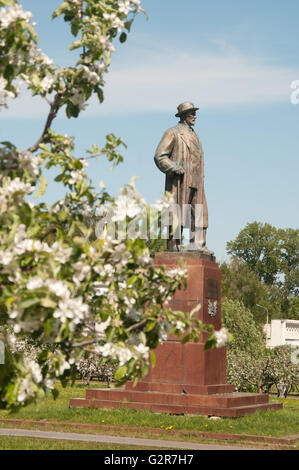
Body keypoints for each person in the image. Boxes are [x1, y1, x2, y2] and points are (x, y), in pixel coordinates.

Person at [154, 101, 209, 252]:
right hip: (181, 181)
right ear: (184, 116)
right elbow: (159, 156)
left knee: (199, 213)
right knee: (176, 213)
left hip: (196, 181)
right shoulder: (173, 132)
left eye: (195, 113)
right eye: (192, 113)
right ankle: (173, 245)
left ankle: (198, 245)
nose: (195, 116)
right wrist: (173, 167)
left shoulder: (195, 135)